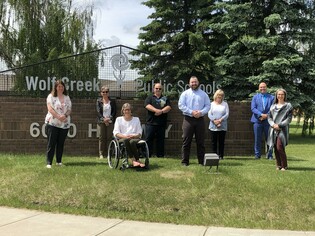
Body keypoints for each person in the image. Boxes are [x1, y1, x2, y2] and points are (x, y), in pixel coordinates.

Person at [178, 76, 211, 166]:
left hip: (200, 119)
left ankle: (201, 161)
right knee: (186, 141)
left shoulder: (204, 94)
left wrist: (200, 112)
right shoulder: (185, 94)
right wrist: (191, 112)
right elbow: (181, 105)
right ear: (189, 83)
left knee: (200, 141)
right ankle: (185, 161)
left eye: (195, 82)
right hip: (188, 119)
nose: (194, 84)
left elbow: (208, 106)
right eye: (192, 82)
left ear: (198, 82)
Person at [45, 80, 72, 168]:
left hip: (64, 124)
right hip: (52, 123)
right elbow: (50, 109)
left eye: (62, 86)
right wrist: (58, 116)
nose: (60, 88)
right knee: (51, 143)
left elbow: (69, 109)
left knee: (61, 143)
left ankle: (59, 162)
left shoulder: (67, 97)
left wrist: (65, 115)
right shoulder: (51, 96)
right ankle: (49, 163)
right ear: (56, 87)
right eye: (59, 86)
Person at [267, 89, 293, 171]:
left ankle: (284, 165)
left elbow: (289, 119)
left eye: (282, 94)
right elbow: (269, 117)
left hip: (282, 130)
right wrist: (273, 124)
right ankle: (278, 165)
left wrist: (279, 125)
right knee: (275, 147)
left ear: (285, 95)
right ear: (276, 95)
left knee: (279, 147)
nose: (280, 96)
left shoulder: (288, 106)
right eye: (279, 94)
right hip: (273, 129)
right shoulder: (273, 106)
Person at [113, 103, 145, 167]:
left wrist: (134, 136)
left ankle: (137, 160)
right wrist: (125, 136)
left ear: (131, 111)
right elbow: (116, 132)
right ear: (123, 111)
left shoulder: (136, 119)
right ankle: (133, 160)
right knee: (126, 140)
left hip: (134, 138)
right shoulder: (118, 119)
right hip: (123, 138)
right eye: (125, 110)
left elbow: (139, 132)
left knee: (132, 141)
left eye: (128, 110)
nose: (127, 111)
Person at [144, 83, 171, 157]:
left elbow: (168, 107)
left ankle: (160, 155)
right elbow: (147, 105)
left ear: (162, 90)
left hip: (161, 124)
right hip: (151, 123)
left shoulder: (165, 98)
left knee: (160, 140)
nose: (158, 90)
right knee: (148, 139)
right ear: (153, 89)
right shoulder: (150, 98)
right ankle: (148, 155)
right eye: (156, 88)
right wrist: (156, 110)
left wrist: (161, 111)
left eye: (160, 88)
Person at [250, 82, 274, 159]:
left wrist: (266, 115)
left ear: (266, 88)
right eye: (261, 87)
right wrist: (261, 114)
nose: (262, 88)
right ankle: (257, 155)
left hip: (268, 121)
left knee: (269, 139)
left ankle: (269, 155)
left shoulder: (272, 97)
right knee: (257, 139)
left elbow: (273, 108)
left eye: (264, 87)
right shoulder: (255, 97)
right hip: (257, 121)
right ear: (258, 88)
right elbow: (253, 108)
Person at [208, 89, 229, 160]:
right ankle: (214, 156)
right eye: (218, 95)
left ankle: (221, 156)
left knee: (221, 142)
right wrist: (215, 121)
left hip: (222, 126)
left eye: (221, 95)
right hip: (213, 126)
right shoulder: (211, 104)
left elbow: (227, 114)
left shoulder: (225, 104)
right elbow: (209, 114)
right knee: (213, 142)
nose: (219, 97)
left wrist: (220, 120)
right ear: (215, 96)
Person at [96, 86, 116, 159]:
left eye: (106, 92)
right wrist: (103, 119)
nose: (105, 93)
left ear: (108, 93)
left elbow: (114, 111)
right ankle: (101, 153)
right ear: (101, 93)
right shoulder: (98, 101)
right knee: (101, 138)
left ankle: (108, 154)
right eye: (103, 92)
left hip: (110, 122)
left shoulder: (112, 101)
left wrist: (109, 119)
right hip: (101, 122)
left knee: (109, 138)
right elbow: (98, 112)